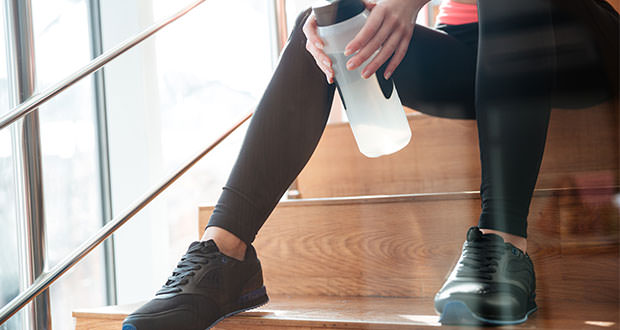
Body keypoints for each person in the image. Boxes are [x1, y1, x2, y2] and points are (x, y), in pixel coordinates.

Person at [121, 0, 619, 329]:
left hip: (574, 37)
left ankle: (503, 249)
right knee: (324, 19)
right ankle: (223, 257)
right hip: (474, 57)